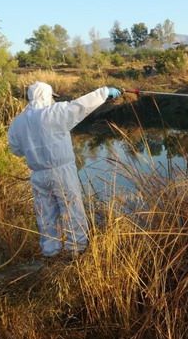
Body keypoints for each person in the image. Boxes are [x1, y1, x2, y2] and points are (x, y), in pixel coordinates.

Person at [8, 81, 121, 259]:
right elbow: (80, 106)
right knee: (72, 209)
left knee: (45, 214)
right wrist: (105, 92)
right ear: (47, 96)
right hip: (61, 172)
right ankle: (76, 250)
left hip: (37, 174)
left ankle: (50, 251)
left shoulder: (18, 123)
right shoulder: (53, 113)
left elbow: (16, 149)